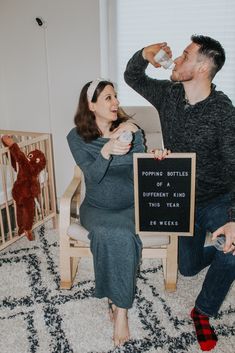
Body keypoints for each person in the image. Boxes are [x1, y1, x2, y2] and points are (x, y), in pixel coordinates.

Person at [124, 35, 235, 351]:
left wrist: (233, 219)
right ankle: (218, 243)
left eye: (185, 55)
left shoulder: (223, 111)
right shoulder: (169, 95)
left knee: (234, 246)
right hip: (182, 200)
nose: (176, 59)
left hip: (217, 199)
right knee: (188, 268)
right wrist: (144, 54)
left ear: (202, 67)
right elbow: (133, 76)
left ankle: (202, 311)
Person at [67, 78, 145, 347]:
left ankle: (121, 310)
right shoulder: (76, 137)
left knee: (122, 233)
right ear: (91, 105)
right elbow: (92, 176)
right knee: (106, 232)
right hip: (97, 208)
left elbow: (140, 171)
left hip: (130, 207)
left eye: (116, 97)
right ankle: (117, 300)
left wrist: (152, 155)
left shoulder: (132, 132)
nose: (116, 103)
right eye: (108, 98)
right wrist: (107, 150)